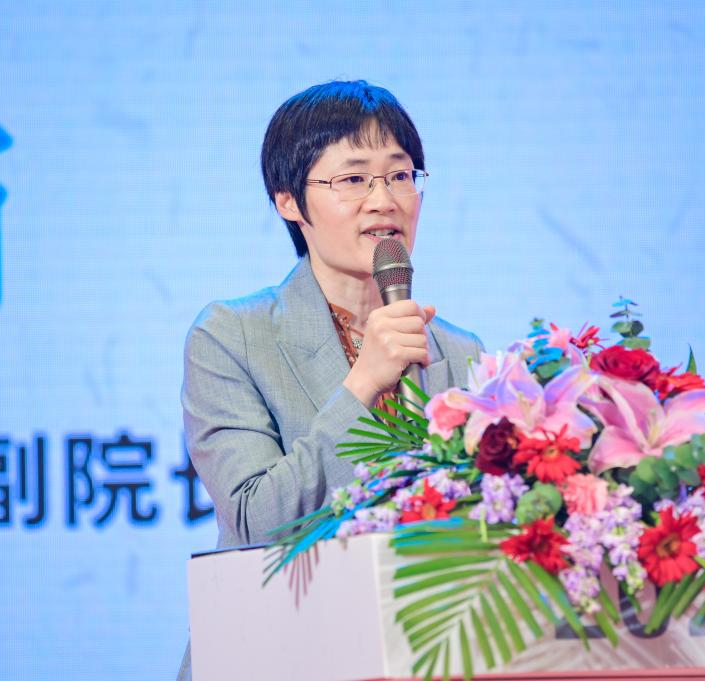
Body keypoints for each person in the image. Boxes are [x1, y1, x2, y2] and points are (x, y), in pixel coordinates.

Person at [177, 80, 483, 678]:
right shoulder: (231, 336)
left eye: (400, 175)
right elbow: (256, 522)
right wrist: (362, 385)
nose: (384, 200)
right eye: (353, 179)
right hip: (277, 652)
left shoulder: (461, 353)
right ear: (288, 201)